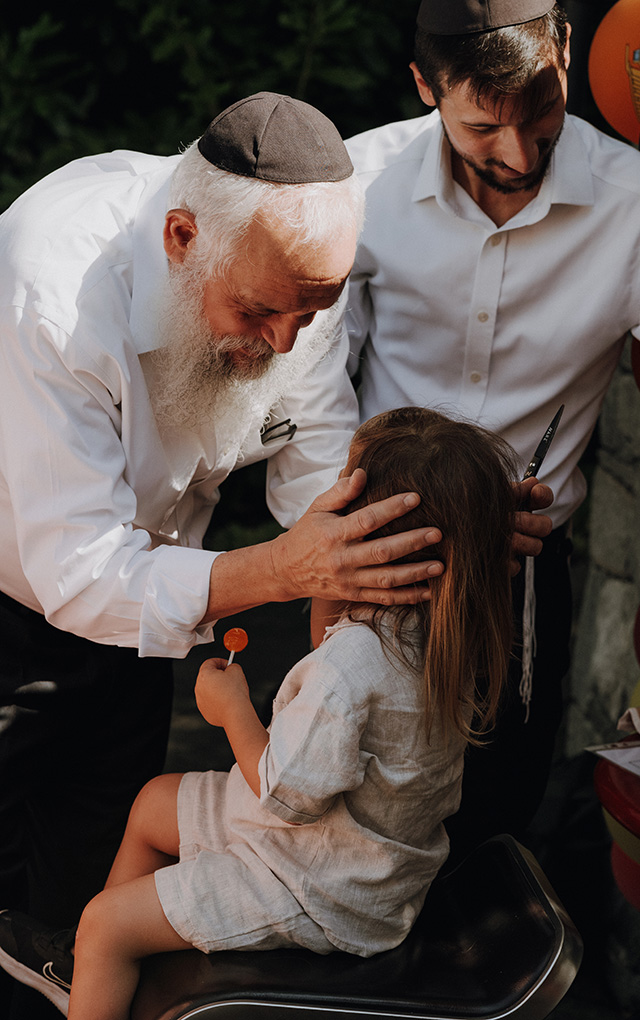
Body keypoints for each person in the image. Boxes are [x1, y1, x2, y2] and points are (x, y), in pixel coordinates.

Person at [0, 92, 448, 1019]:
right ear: (180, 238)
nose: (284, 342)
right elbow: (78, 568)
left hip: (147, 623)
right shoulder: (50, 289)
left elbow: (320, 472)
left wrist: (433, 537)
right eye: (259, 312)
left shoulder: (290, 287)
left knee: (77, 904)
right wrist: (283, 571)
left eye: (311, 313)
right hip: (14, 605)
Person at [0, 405, 518, 1019]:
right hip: (361, 859)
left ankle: (101, 957)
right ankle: (100, 972)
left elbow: (284, 795)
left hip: (319, 888)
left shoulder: (350, 668)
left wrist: (232, 711)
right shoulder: (450, 636)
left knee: (104, 921)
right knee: (154, 803)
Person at [338, 0, 640, 860]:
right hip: (370, 556)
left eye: (543, 112)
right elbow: (309, 380)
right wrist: (330, 541)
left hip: (524, 577)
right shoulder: (358, 185)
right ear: (425, 86)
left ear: (566, 49)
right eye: (483, 127)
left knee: (495, 826)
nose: (520, 155)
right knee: (339, 812)